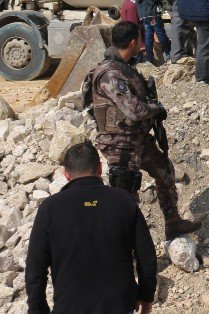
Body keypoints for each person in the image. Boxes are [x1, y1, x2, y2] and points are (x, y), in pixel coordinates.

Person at [85, 21, 199, 240]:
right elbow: (134, 109)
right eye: (139, 39)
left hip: (137, 139)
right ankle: (124, 246)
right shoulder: (110, 73)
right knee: (126, 197)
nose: (142, 43)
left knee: (164, 170)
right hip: (119, 144)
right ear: (132, 42)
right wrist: (156, 109)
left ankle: (173, 222)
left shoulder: (124, 67)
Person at [25, 141, 157, 314]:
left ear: (66, 174)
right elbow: (146, 256)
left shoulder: (49, 209)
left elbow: (35, 269)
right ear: (100, 169)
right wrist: (146, 295)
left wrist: (38, 310)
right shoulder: (124, 201)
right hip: (119, 305)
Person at [134, 0, 170, 64]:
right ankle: (168, 54)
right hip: (153, 15)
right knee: (161, 34)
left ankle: (149, 58)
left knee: (148, 37)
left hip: (144, 16)